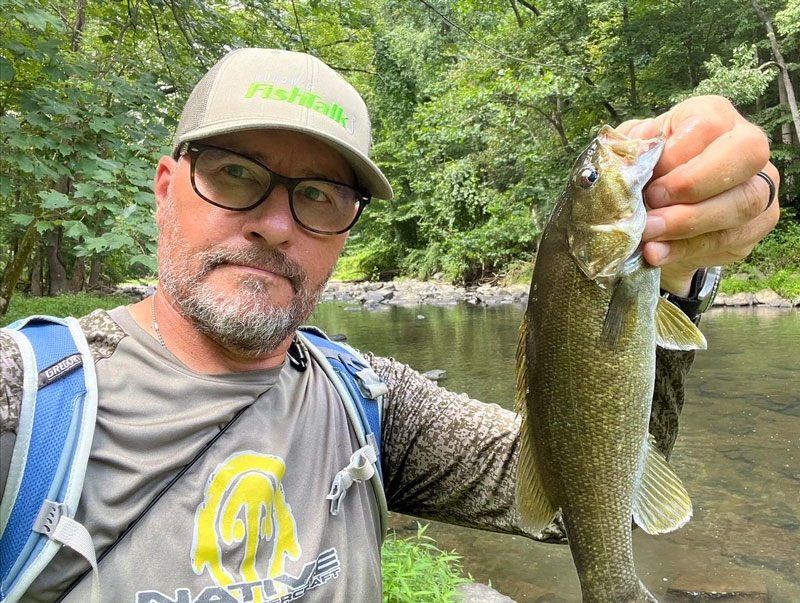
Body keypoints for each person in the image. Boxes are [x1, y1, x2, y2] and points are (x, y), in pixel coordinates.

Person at [0, 47, 780, 602]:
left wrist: (678, 272)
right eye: (235, 173)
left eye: (319, 194)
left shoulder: (371, 405)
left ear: (346, 229)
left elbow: (576, 484)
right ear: (167, 187)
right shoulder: (24, 400)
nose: (276, 223)